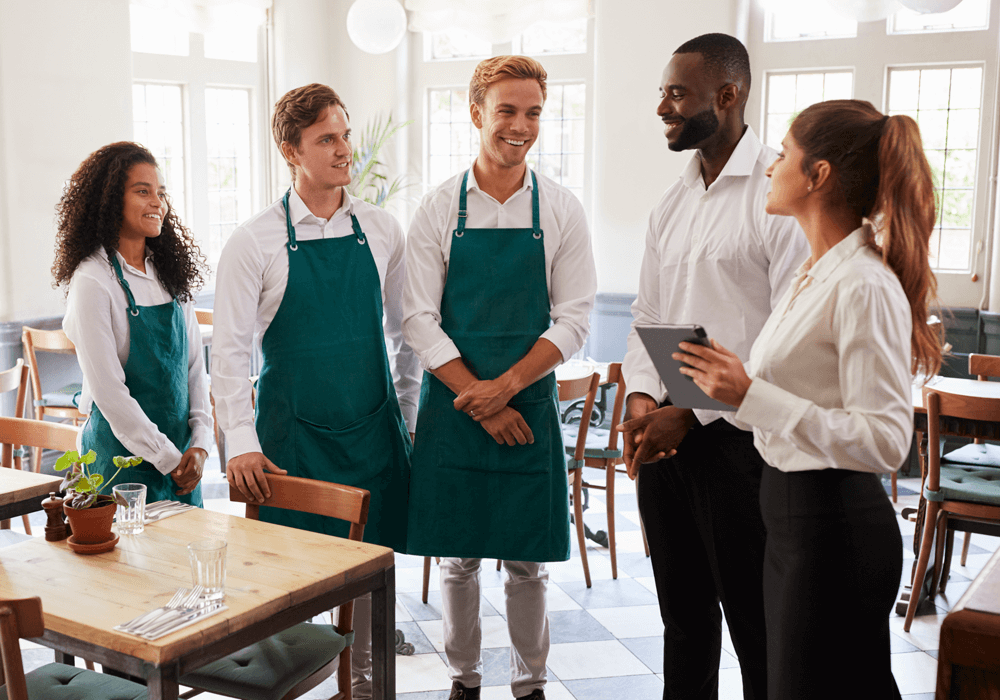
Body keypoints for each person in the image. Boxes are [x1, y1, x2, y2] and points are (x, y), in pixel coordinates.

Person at [674, 99, 940, 699]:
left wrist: (751, 394)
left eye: (785, 156)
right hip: (791, 515)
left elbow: (886, 440)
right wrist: (735, 382)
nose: (771, 168)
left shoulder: (863, 284)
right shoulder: (814, 273)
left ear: (818, 176)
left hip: (834, 526)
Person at [211, 83, 420, 700]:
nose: (343, 149)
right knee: (289, 589)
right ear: (290, 151)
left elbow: (406, 334)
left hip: (373, 435)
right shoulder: (253, 242)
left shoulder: (382, 229)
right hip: (290, 443)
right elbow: (227, 352)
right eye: (326, 138)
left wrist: (403, 415)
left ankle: (368, 687)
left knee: (373, 584)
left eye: (345, 135)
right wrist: (240, 444)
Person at [617, 33, 809, 700]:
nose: (664, 107)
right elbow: (650, 313)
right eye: (663, 93)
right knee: (682, 622)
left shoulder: (777, 194)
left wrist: (689, 416)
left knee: (757, 627)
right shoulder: (671, 204)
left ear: (728, 96)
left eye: (678, 93)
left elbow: (788, 333)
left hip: (744, 447)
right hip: (669, 442)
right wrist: (642, 402)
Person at [403, 56, 597, 700]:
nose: (521, 125)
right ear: (476, 112)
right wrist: (479, 400)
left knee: (526, 563)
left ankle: (530, 683)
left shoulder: (562, 210)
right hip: (458, 412)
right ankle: (464, 679)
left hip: (526, 405)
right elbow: (418, 320)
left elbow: (573, 321)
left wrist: (506, 388)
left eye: (534, 111)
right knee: (458, 559)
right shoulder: (437, 210)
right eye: (507, 110)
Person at [57, 142, 211, 505]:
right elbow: (110, 395)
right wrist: (170, 458)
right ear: (109, 200)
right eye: (143, 191)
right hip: (119, 468)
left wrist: (201, 443)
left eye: (161, 193)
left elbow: (194, 370)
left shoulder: (170, 276)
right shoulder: (93, 281)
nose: (158, 202)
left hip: (183, 465)